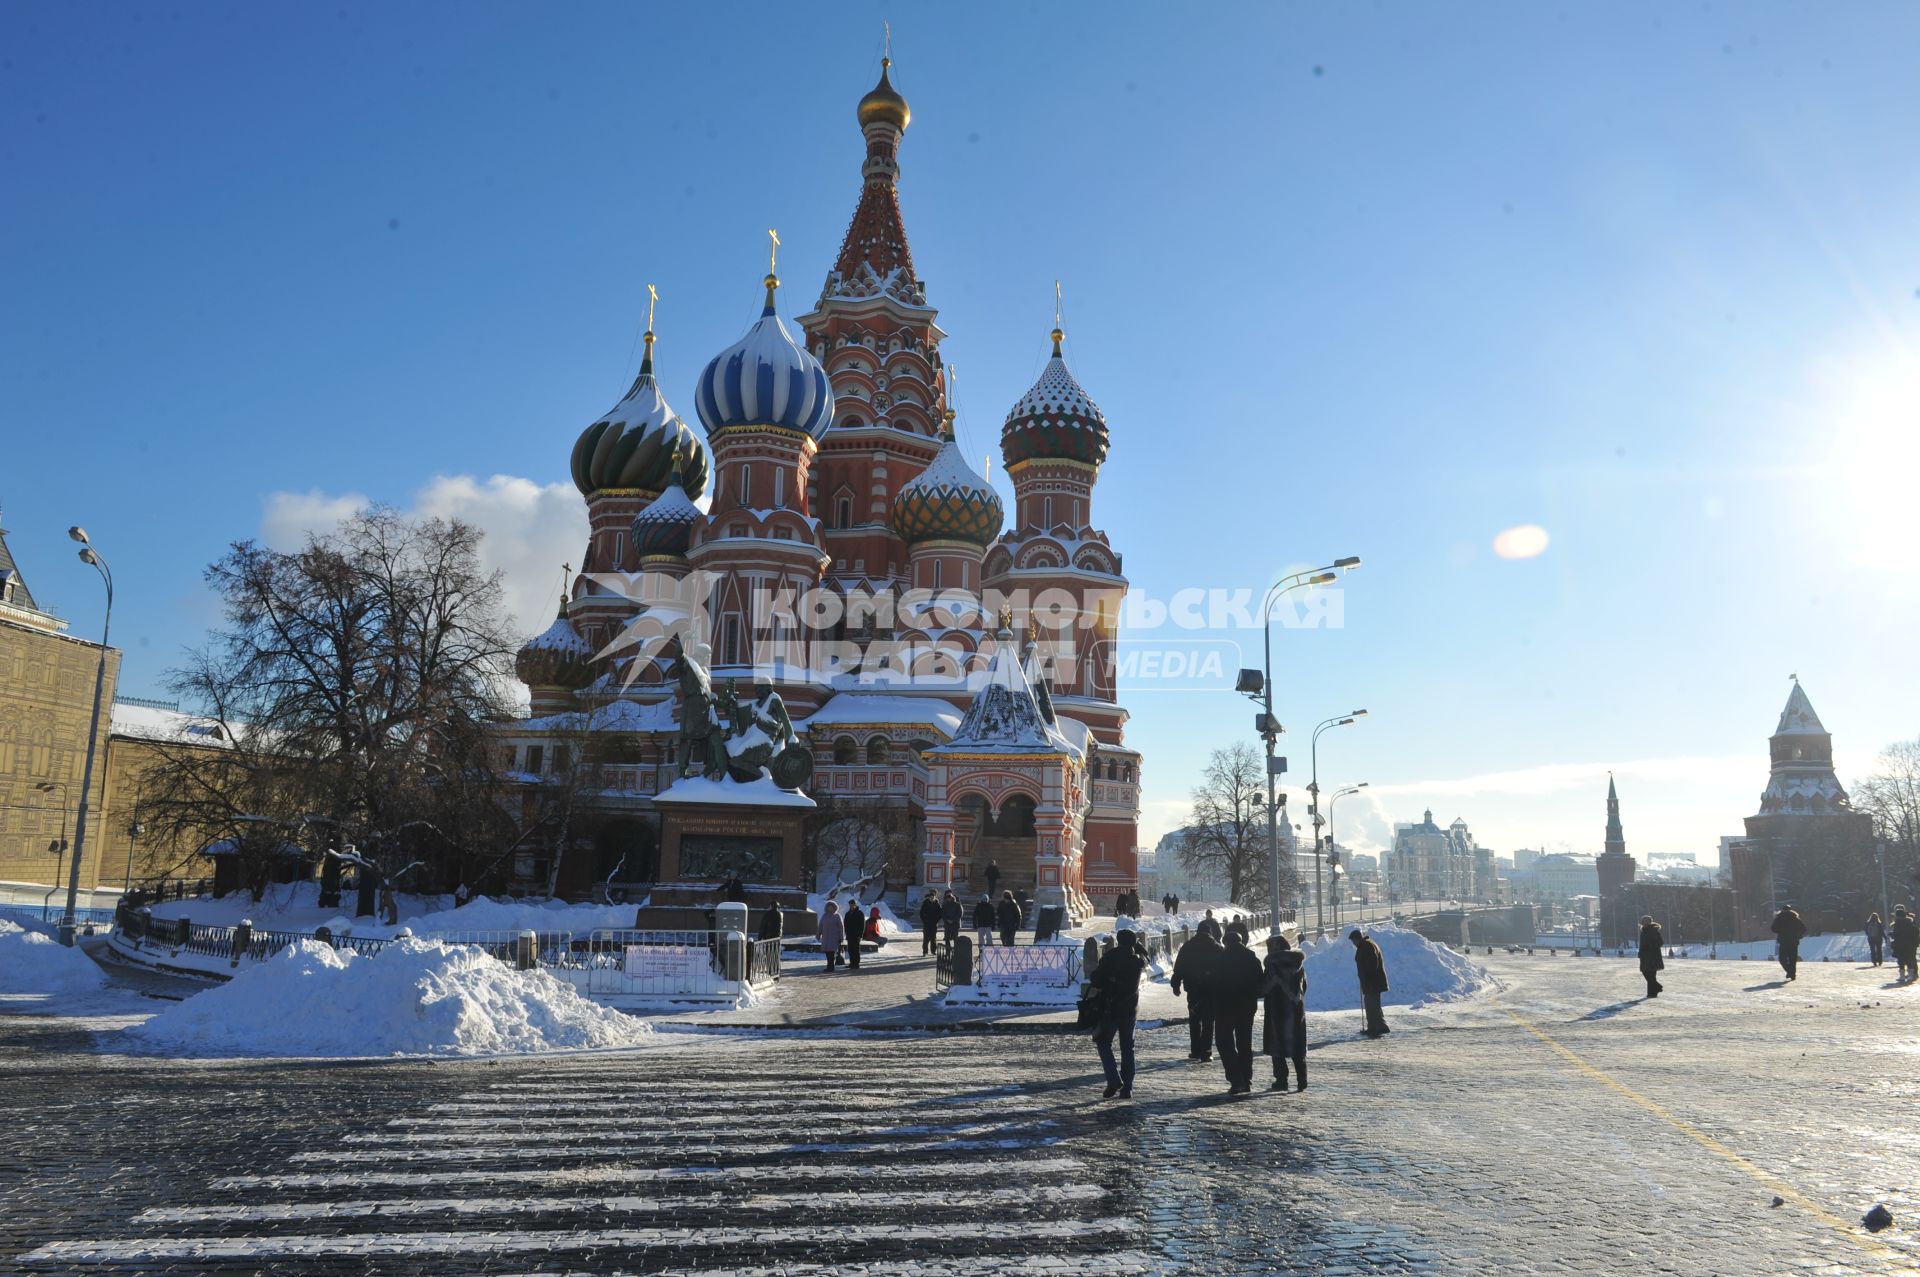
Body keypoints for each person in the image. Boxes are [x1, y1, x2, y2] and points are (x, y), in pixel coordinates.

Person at [1090, 928, 1147, 1099]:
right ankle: (1127, 1087)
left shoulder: (1110, 957)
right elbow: (1146, 958)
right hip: (1130, 1009)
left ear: (1118, 940)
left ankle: (1113, 1078)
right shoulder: (1137, 960)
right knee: (1128, 1048)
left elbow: (1096, 980)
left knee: (1103, 1042)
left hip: (1110, 1007)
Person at [1215, 928, 1265, 1095]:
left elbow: (1212, 983)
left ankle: (1236, 1079)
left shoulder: (1220, 959)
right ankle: (1247, 1079)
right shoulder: (1252, 959)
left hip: (1224, 1008)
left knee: (1224, 1043)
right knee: (1245, 1044)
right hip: (1247, 1008)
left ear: (1226, 943)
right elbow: (1261, 983)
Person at [1170, 922, 1223, 1062]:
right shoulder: (1217, 947)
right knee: (1208, 1020)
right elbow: (1224, 969)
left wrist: (1175, 985)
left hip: (1193, 989)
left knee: (1194, 1019)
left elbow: (1179, 967)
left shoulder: (1188, 947)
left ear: (1197, 932)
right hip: (1211, 990)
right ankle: (1206, 1051)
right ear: (1210, 933)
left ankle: (1195, 1050)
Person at [1263, 935, 1307, 1092]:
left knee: (1277, 1047)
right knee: (1297, 1045)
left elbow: (1265, 988)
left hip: (1276, 1010)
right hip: (1295, 1011)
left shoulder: (1272, 964)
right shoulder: (1298, 963)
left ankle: (1282, 1081)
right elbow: (1305, 987)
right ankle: (1302, 1080)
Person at [1350, 929, 1390, 1038]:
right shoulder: (1364, 946)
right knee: (1369, 1003)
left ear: (1357, 939)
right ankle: (1373, 1027)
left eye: (1353, 941)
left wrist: (1366, 976)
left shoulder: (1367, 946)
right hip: (1370, 981)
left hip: (1373, 981)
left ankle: (1380, 1027)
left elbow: (1373, 963)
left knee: (1373, 1004)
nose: (1353, 944)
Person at [1771, 904, 1806, 981]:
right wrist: (1798, 936)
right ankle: (1792, 974)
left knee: (1782, 959)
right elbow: (1803, 929)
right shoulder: (1795, 918)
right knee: (1792, 959)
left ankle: (1789, 972)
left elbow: (1773, 928)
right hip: (1794, 942)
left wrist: (1781, 931)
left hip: (1783, 941)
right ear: (1791, 910)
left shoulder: (1779, 918)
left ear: (1782, 910)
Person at [1637, 915, 1664, 999]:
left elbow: (1660, 942)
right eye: (1643, 922)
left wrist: (1650, 947)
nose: (1644, 924)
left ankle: (1653, 992)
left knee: (1650, 974)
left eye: (1645, 922)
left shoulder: (1653, 931)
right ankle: (1654, 990)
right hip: (1645, 956)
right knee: (1647, 973)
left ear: (1649, 922)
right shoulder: (1644, 931)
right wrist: (1641, 952)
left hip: (1653, 956)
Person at [1892, 908, 1918, 981]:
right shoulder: (1910, 922)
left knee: (1901, 961)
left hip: (1900, 945)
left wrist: (1892, 935)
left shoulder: (1897, 924)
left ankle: (1902, 976)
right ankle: (1911, 975)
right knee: (1910, 960)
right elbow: (1915, 932)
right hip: (1910, 945)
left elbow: (1896, 934)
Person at [817, 901, 844, 973]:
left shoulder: (837, 916)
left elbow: (841, 927)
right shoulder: (824, 916)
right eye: (829, 906)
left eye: (832, 906)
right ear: (827, 907)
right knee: (827, 952)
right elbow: (820, 926)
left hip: (834, 938)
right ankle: (829, 965)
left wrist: (841, 937)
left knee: (832, 953)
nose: (830, 908)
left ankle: (831, 967)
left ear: (834, 907)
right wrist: (818, 934)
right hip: (826, 937)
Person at [844, 899, 867, 971]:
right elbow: (845, 924)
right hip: (849, 935)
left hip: (856, 935)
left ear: (855, 905)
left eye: (853, 904)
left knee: (856, 950)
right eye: (850, 905)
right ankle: (852, 963)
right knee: (850, 949)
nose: (851, 906)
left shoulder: (860, 913)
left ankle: (856, 964)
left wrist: (860, 935)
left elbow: (862, 925)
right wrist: (846, 933)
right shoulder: (847, 914)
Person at [918, 892, 943, 956]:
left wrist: (936, 920)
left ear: (935, 898)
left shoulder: (937, 904)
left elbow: (940, 914)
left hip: (934, 924)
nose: (932, 899)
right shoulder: (925, 903)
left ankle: (933, 951)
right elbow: (921, 913)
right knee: (926, 938)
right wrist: (924, 920)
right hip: (926, 924)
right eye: (930, 898)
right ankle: (925, 952)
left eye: (933, 898)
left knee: (933, 938)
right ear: (929, 898)